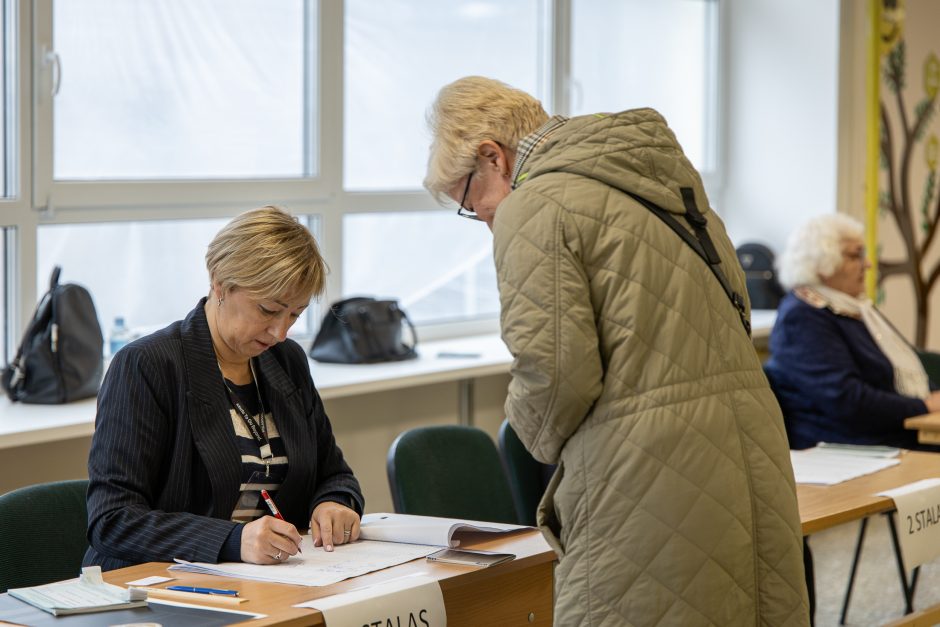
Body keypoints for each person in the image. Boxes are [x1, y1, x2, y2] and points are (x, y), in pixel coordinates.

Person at [424, 76, 809, 626]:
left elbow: (555, 375)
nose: (481, 217)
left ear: (492, 158)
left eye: (467, 200)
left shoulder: (534, 206)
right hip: (753, 455)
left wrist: (530, 436)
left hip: (647, 477)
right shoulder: (666, 181)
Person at [84, 206, 364, 571]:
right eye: (267, 310)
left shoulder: (286, 361)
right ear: (220, 284)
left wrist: (335, 502)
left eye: (294, 314)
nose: (280, 333)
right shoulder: (148, 365)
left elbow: (334, 474)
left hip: (272, 581)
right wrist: (232, 540)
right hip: (158, 585)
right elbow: (113, 519)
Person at [764, 213, 940, 450]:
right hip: (849, 444)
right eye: (856, 255)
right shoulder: (803, 316)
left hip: (889, 432)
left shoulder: (855, 308)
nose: (867, 264)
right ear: (823, 265)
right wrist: (924, 406)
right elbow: (847, 400)